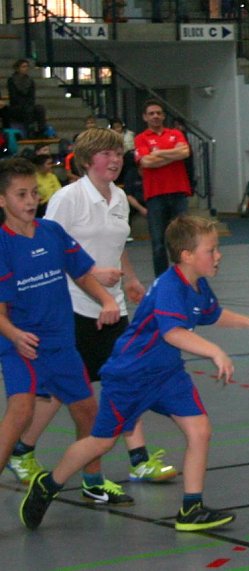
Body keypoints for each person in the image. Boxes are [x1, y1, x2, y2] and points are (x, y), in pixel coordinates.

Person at [19, 215, 249, 532]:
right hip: (130, 376)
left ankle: (191, 508)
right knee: (101, 443)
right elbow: (173, 334)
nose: (218, 255)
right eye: (211, 250)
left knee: (200, 430)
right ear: (186, 255)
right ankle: (50, 483)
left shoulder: (197, 284)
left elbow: (212, 313)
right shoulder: (170, 287)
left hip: (167, 374)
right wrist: (214, 350)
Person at [6, 128, 176, 489]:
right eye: (105, 154)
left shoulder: (118, 197)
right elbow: (55, 250)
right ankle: (25, 449)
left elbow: (116, 245)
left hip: (109, 306)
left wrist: (127, 278)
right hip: (72, 307)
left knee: (120, 379)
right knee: (58, 393)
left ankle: (134, 460)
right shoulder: (68, 199)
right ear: (86, 160)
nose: (114, 160)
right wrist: (92, 273)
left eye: (118, 153)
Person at [0, 157, 128, 507]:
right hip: (21, 345)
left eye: (33, 193)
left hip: (61, 344)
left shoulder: (52, 232)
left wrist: (105, 300)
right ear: (2, 200)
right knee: (21, 410)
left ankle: (92, 481)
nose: (29, 201)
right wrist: (13, 334)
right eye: (20, 194)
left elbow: (82, 272)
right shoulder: (3, 245)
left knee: (88, 411)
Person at [134, 99, 191, 277]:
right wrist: (172, 155)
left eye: (158, 113)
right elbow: (146, 162)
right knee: (158, 242)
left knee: (182, 239)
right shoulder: (140, 138)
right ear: (145, 117)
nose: (155, 116)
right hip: (155, 195)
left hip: (178, 192)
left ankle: (184, 276)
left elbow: (185, 152)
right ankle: (162, 280)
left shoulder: (176, 133)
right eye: (151, 113)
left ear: (164, 115)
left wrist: (159, 153)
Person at [6, 59, 47, 138]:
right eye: (23, 67)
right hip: (16, 106)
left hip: (28, 105)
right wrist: (25, 104)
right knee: (27, 110)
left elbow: (32, 96)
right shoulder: (11, 80)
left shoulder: (30, 81)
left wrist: (29, 104)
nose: (26, 68)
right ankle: (29, 131)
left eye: (27, 66)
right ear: (18, 68)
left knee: (40, 109)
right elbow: (13, 97)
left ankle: (42, 131)